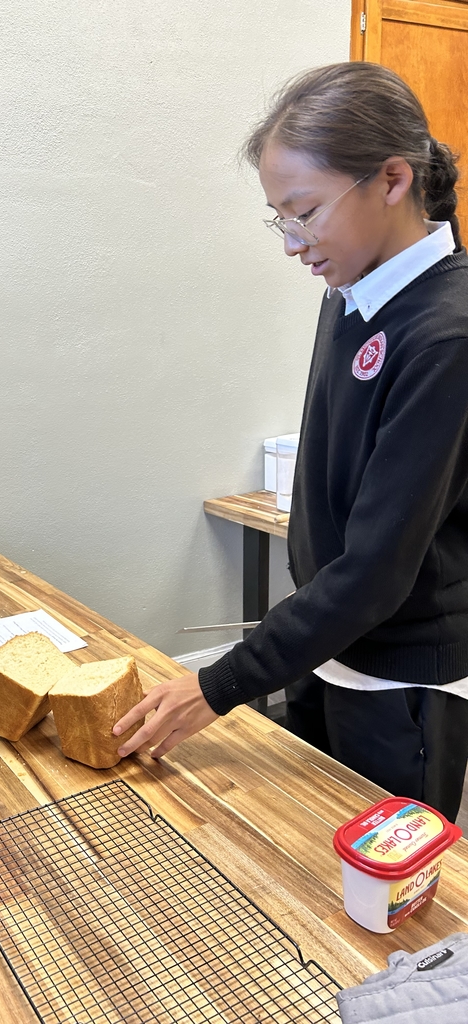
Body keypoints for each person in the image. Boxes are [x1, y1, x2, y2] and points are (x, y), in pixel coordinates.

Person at [114, 62, 468, 824]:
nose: (293, 243)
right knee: (307, 852)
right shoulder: (352, 291)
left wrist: (219, 685)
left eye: (305, 212)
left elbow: (377, 571)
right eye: (281, 218)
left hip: (397, 677)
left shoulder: (448, 334)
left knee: (385, 883)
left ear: (393, 179)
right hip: (326, 644)